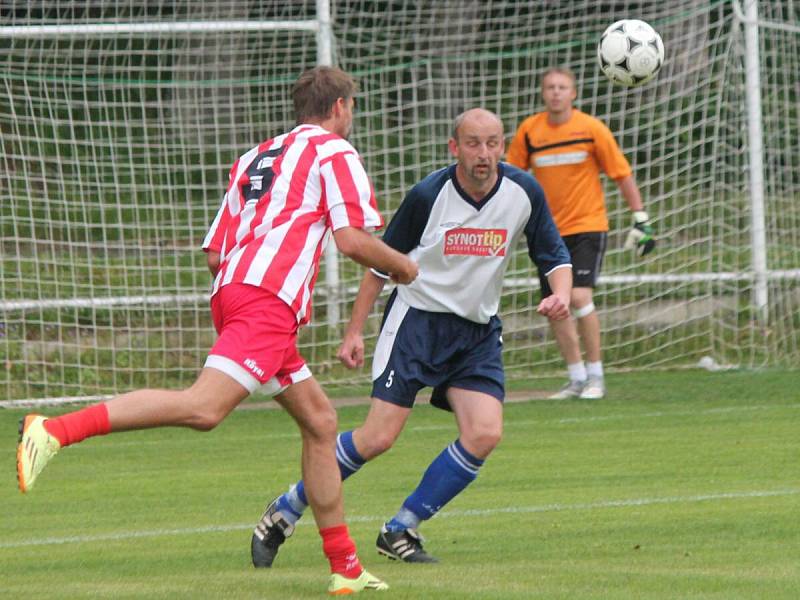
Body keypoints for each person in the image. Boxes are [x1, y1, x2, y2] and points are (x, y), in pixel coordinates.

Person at [15, 65, 419, 595]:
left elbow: (213, 254)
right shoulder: (334, 151)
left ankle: (345, 569)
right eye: (353, 107)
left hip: (233, 292)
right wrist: (403, 267)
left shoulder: (256, 157)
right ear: (340, 107)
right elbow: (351, 239)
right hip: (266, 301)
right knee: (204, 409)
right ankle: (54, 430)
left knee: (321, 421)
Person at [249, 108, 572, 568]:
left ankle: (401, 528)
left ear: (504, 146)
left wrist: (559, 295)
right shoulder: (428, 195)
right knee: (378, 437)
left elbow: (552, 253)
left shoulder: (524, 191)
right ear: (454, 147)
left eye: (493, 143)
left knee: (484, 433)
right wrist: (355, 331)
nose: (485, 154)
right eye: (474, 143)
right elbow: (380, 264)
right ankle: (285, 509)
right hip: (416, 324)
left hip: (477, 332)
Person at [506, 66, 655, 400]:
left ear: (573, 93)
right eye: (550, 87)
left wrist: (640, 218)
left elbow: (622, 174)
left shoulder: (592, 129)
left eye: (562, 87)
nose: (556, 92)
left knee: (578, 296)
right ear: (543, 93)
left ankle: (597, 376)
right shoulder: (530, 131)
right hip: (546, 233)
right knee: (554, 303)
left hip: (587, 226)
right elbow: (513, 179)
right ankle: (576, 377)